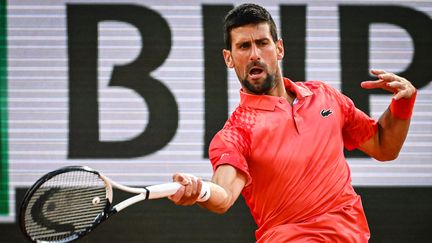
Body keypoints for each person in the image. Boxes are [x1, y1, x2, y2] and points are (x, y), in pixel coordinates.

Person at [169, 3, 417, 242]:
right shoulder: (236, 133)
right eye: (243, 46)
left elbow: (384, 146)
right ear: (229, 58)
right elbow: (223, 195)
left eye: (262, 43)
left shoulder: (325, 96)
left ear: (279, 49)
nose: (254, 54)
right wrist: (200, 189)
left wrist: (403, 103)